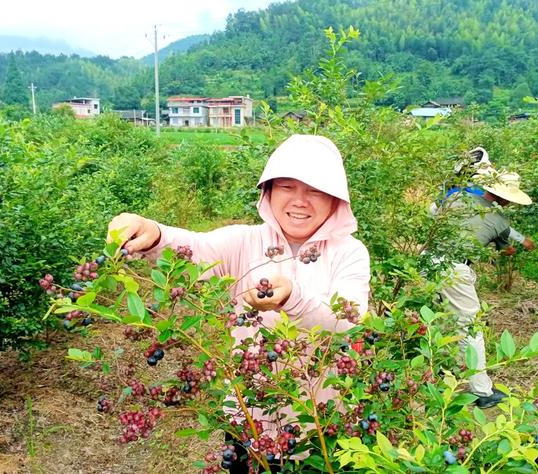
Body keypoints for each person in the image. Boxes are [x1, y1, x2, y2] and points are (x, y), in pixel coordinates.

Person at [107, 134, 370, 472]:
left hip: (322, 427)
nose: (300, 201)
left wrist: (292, 297)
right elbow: (194, 249)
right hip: (251, 420)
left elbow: (348, 321)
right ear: (269, 191)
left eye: (315, 190)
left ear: (335, 200)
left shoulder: (349, 253)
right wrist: (153, 232)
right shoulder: (244, 241)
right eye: (287, 187)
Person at [438, 168, 534, 408]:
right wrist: (509, 249)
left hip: (427, 261)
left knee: (441, 319)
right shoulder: (501, 221)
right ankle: (482, 392)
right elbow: (503, 248)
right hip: (454, 268)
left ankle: (440, 371)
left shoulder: (456, 197)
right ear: (504, 198)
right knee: (471, 328)